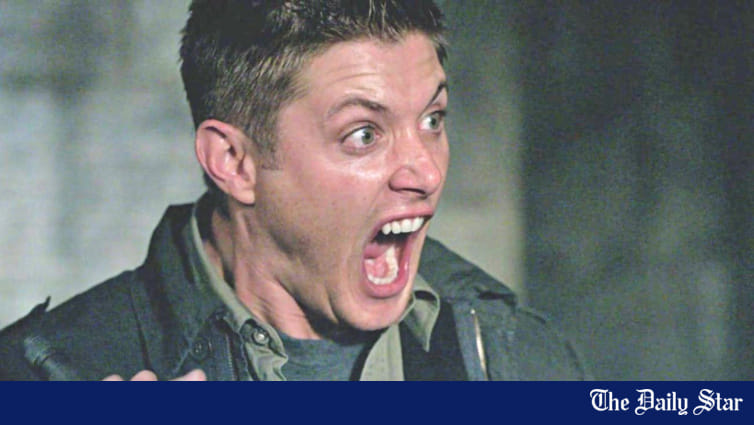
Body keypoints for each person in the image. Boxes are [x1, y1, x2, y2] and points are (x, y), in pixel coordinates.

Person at [0, 0, 588, 381]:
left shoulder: (517, 355)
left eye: (433, 119)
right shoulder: (44, 375)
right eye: (364, 134)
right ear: (234, 162)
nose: (427, 173)